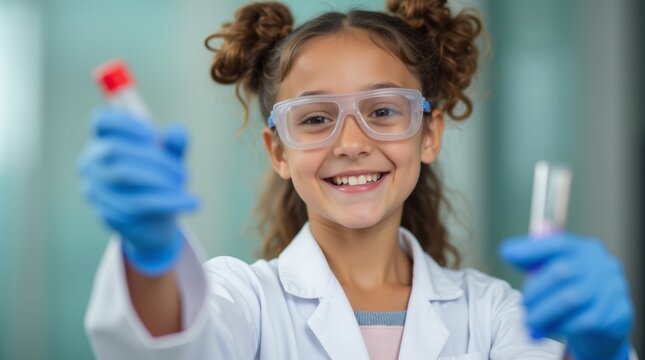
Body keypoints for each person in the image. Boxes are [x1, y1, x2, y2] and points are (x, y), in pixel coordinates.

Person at [78, 1, 637, 359]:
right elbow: (170, 345)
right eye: (316, 118)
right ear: (278, 149)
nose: (351, 143)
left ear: (429, 134)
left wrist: (600, 353)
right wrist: (149, 255)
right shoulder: (246, 299)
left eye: (385, 111)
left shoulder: (493, 317)